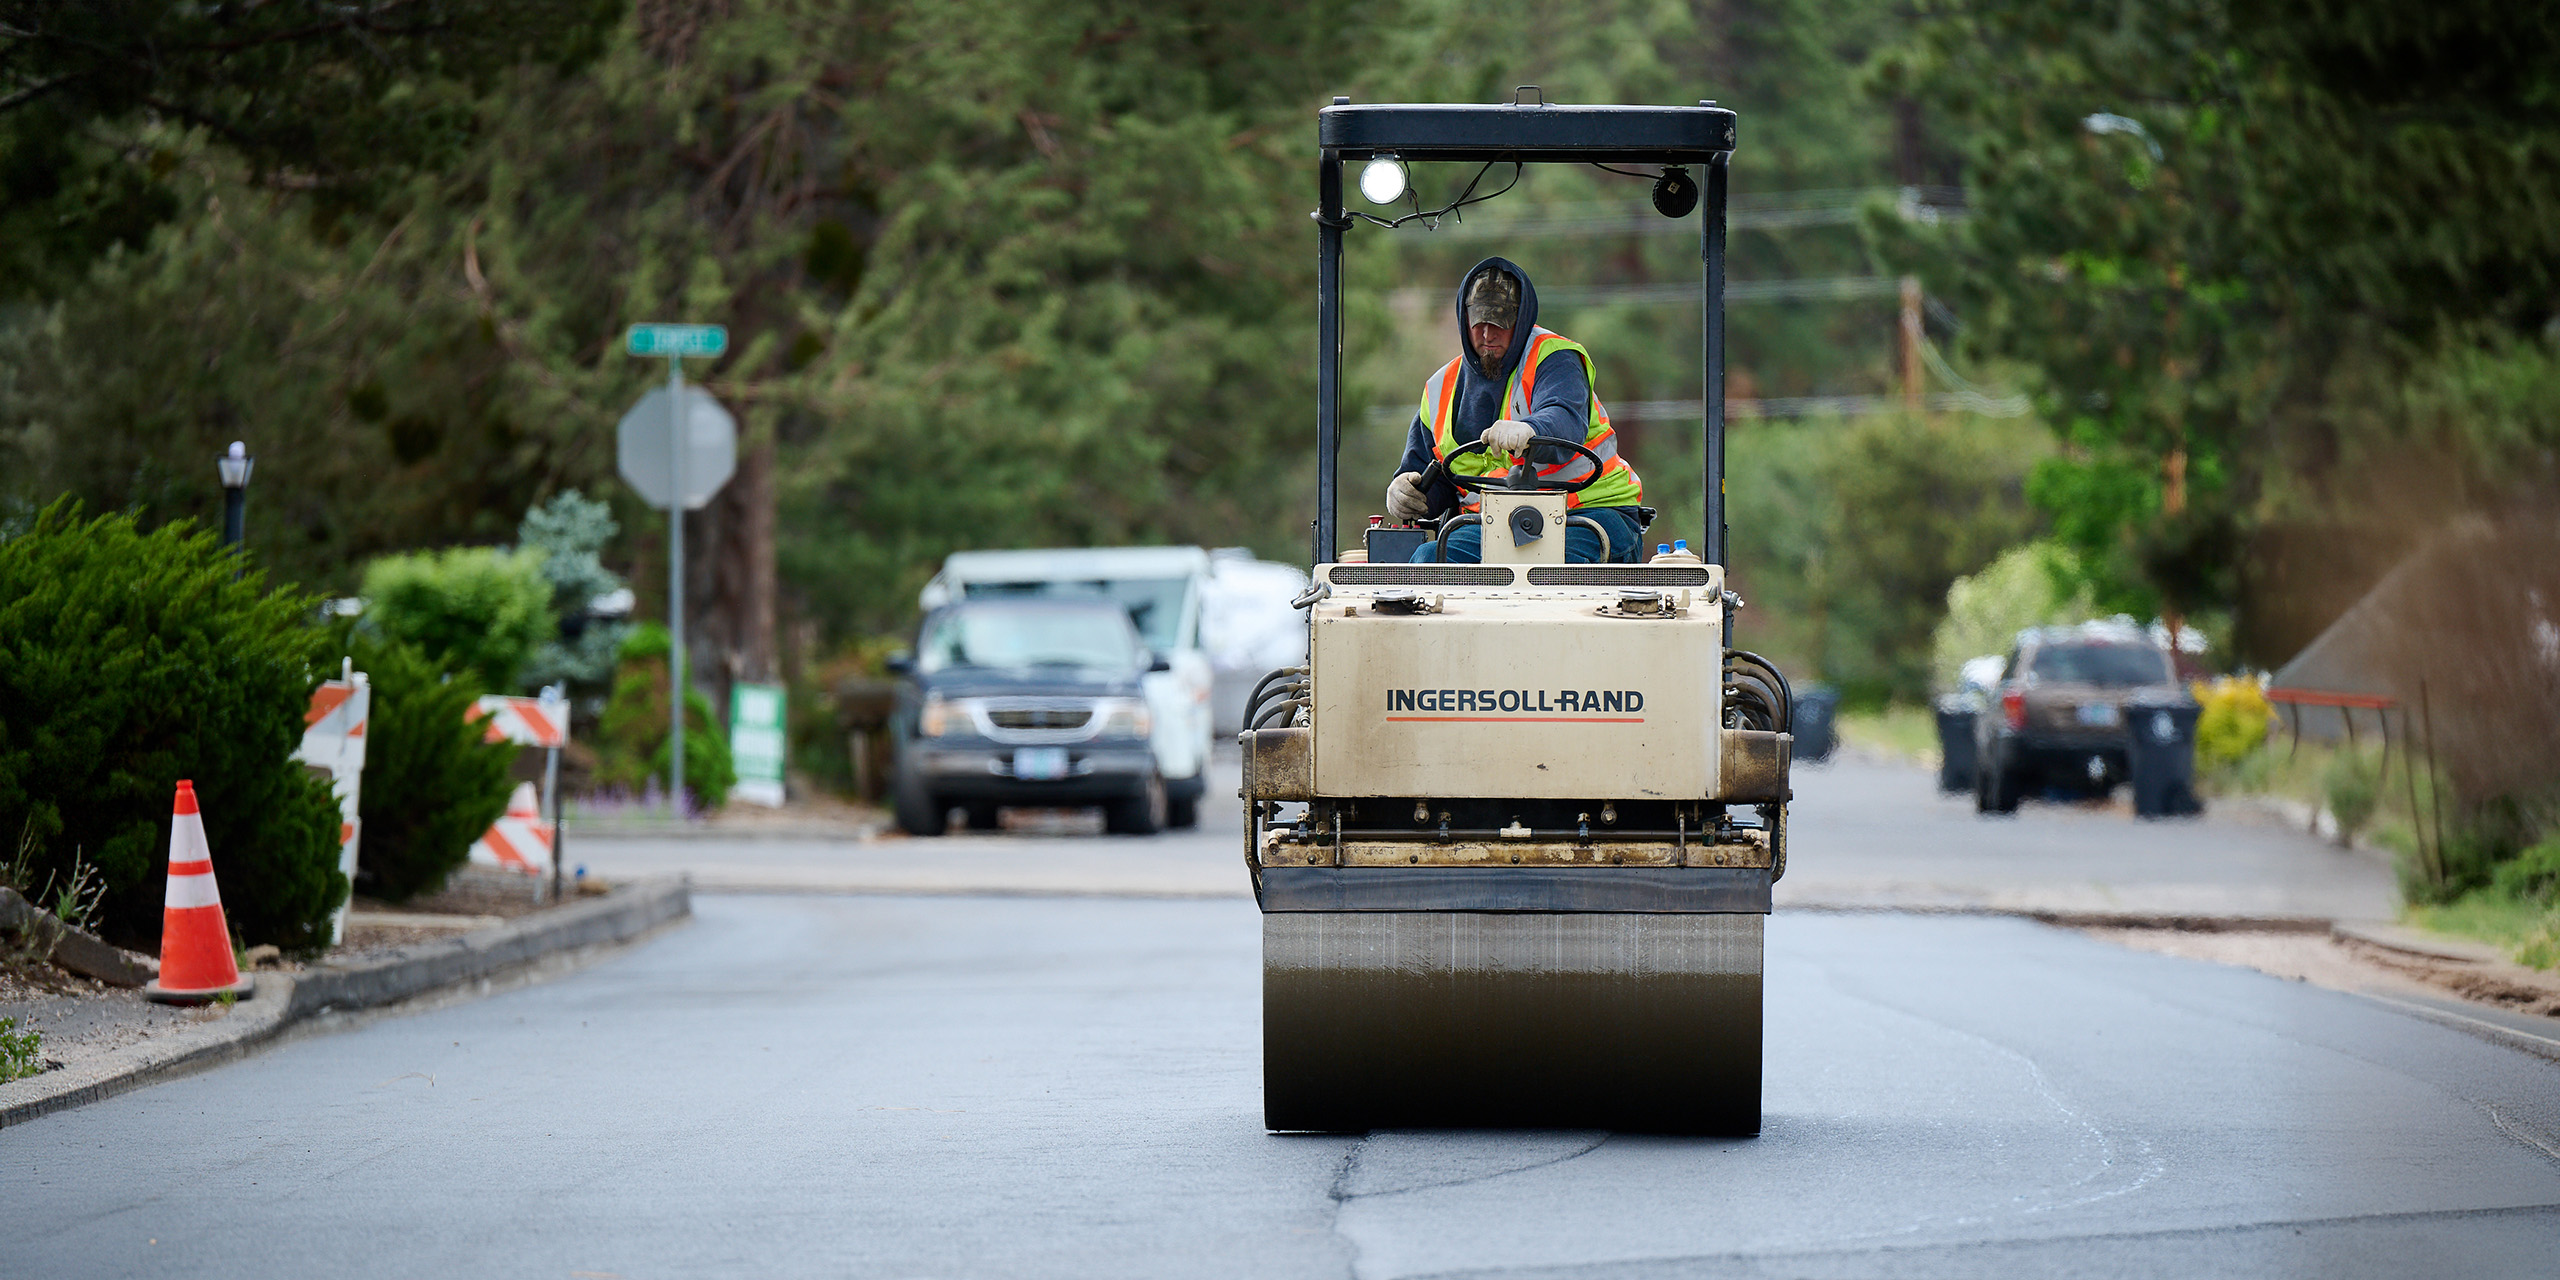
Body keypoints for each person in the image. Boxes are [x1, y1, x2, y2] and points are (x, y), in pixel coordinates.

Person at [1384, 257, 1646, 563]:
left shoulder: (1555, 358)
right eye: (1479, 322)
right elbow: (1430, 478)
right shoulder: (1440, 387)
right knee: (1429, 559)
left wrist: (1531, 431)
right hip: (1495, 527)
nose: (1487, 334)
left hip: (1590, 514)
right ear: (1463, 319)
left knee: (1549, 574)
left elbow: (1563, 417)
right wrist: (1406, 493)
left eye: (1499, 323)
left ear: (1520, 321)